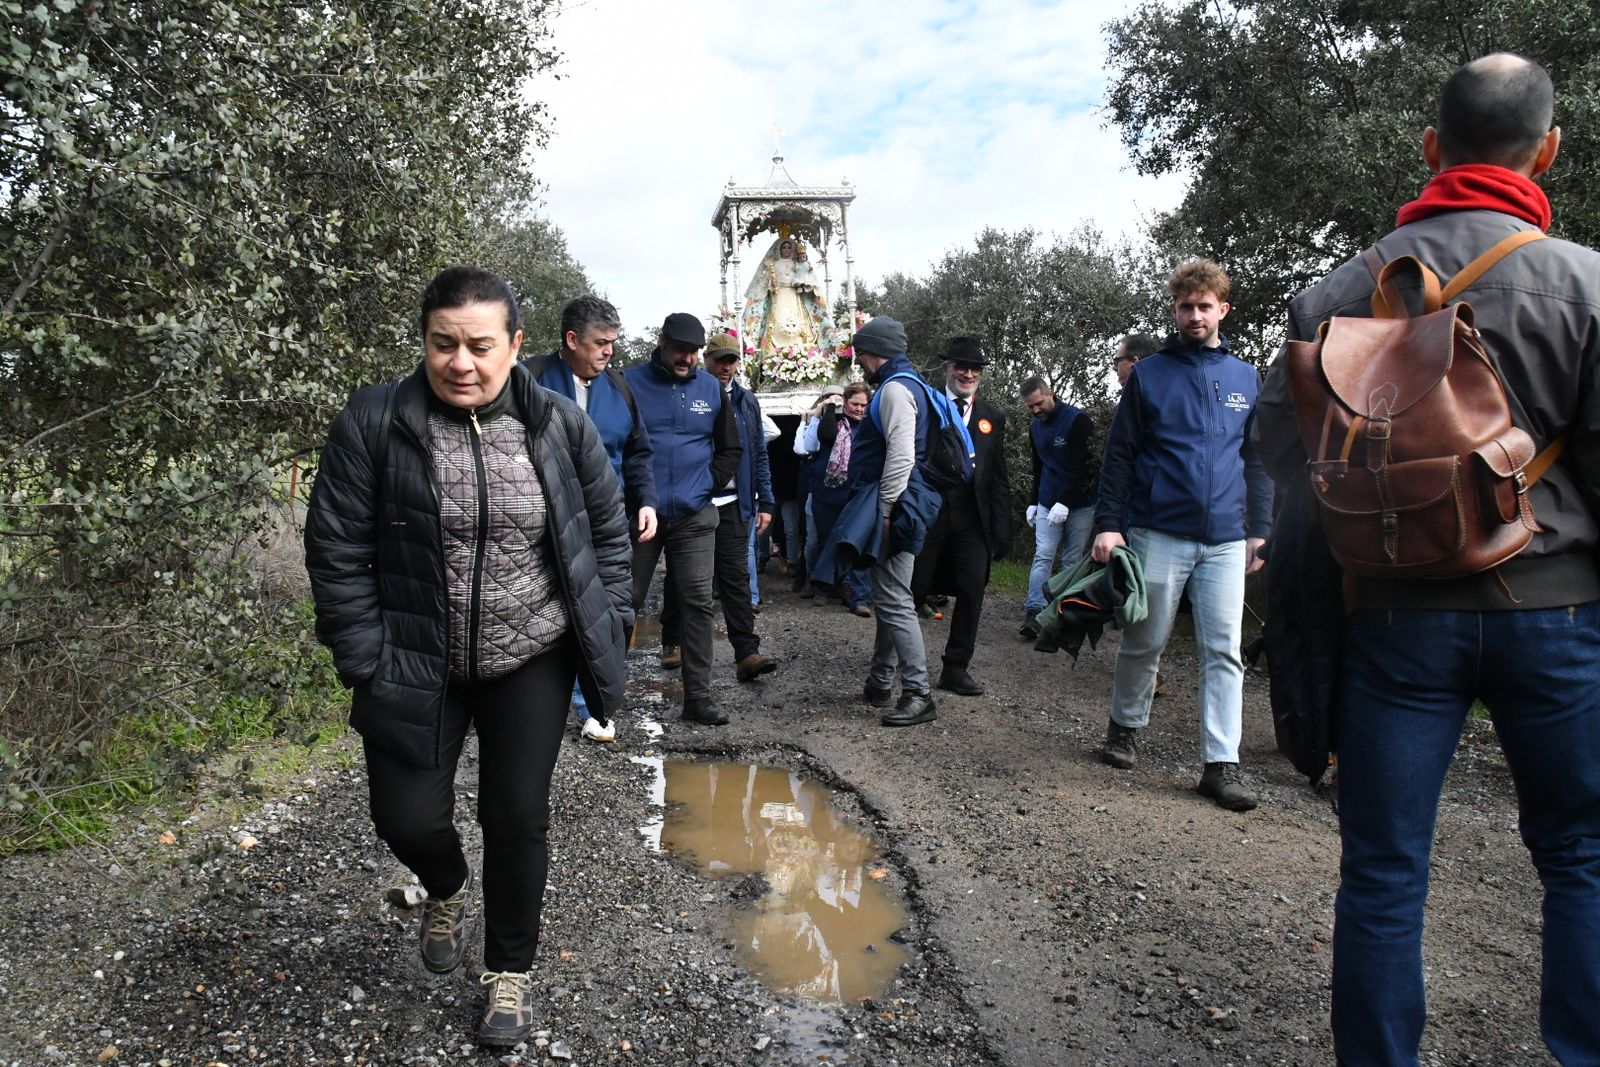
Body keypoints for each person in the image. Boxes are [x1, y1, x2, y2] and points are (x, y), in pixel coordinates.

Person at [1253, 53, 1600, 1064]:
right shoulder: (1585, 282)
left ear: (1428, 149)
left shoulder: (1332, 292)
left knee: (1383, 867)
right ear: (1547, 149)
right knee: (1579, 856)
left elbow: (1283, 461)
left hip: (1393, 617)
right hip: (1559, 616)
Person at [303, 267, 632, 1047]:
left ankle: (509, 973)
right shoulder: (375, 419)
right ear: (423, 341)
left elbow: (608, 530)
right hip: (414, 656)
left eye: (480, 346)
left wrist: (610, 619)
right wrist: (364, 657)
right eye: (443, 344)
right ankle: (446, 884)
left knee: (516, 815)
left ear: (515, 345)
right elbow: (337, 547)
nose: (461, 362)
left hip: (532, 653)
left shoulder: (556, 423)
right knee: (405, 814)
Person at [1092, 259, 1271, 811]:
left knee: (1224, 650)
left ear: (1223, 309)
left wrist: (1259, 531)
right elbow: (1119, 456)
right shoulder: (1150, 375)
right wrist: (1108, 524)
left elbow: (1257, 459)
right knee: (1146, 639)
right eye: (1185, 306)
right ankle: (1124, 728)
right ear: (1175, 310)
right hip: (1157, 531)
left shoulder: (1246, 377)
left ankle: (1221, 765)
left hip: (1224, 537)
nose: (1195, 315)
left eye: (1204, 306)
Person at [523, 294, 657, 743]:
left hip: (605, 520)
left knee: (600, 609)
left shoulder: (619, 389)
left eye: (613, 343)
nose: (609, 352)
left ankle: (592, 704)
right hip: (542, 520)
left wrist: (646, 501)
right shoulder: (529, 379)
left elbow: (638, 452)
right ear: (571, 339)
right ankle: (530, 698)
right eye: (601, 342)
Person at [624, 312, 743, 725]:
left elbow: (730, 447)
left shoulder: (711, 388)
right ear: (662, 342)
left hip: (694, 514)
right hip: (640, 513)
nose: (686, 358)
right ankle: (602, 699)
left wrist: (705, 484)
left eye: (693, 352)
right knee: (624, 603)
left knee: (697, 605)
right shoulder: (629, 382)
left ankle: (699, 699)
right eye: (679, 349)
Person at [824, 316, 941, 727]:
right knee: (895, 595)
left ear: (873, 352)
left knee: (892, 598)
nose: (858, 361)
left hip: (895, 503)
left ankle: (918, 692)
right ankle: (880, 680)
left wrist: (886, 511)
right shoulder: (913, 384)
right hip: (908, 501)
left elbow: (902, 456)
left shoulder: (893, 389)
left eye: (860, 352)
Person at [659, 332, 777, 682]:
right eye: (720, 360)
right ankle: (672, 640)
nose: (727, 367)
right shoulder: (688, 394)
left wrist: (765, 498)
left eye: (732, 360)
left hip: (734, 502)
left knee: (735, 578)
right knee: (685, 576)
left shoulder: (746, 401)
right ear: (705, 359)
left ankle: (747, 652)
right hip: (693, 501)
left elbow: (758, 452)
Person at [911, 337, 1012, 695]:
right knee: (913, 589)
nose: (967, 373)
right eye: (961, 367)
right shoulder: (927, 405)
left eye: (975, 369)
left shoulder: (991, 417)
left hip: (972, 520)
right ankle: (896, 661)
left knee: (972, 592)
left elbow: (997, 476)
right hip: (930, 515)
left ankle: (955, 667)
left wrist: (1002, 530)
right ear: (947, 369)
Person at [1019, 375, 1097, 639]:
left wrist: (1067, 501)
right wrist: (1033, 502)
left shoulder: (1077, 421)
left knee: (1072, 560)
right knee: (1043, 554)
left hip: (1080, 504)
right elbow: (1038, 466)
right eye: (1030, 407)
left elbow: (1086, 467)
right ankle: (1034, 611)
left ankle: (1063, 614)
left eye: (1039, 403)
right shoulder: (1035, 426)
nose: (1036, 410)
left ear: (1050, 393)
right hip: (1047, 499)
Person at [796, 383, 874, 614]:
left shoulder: (870, 427)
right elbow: (816, 441)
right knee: (824, 540)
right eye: (855, 404)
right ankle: (824, 587)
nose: (859, 409)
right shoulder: (833, 422)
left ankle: (855, 593)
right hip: (827, 491)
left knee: (855, 542)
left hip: (856, 493)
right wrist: (827, 410)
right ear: (845, 402)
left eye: (863, 405)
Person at [740, 236, 828, 358]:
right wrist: (772, 284)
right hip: (779, 296)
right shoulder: (774, 264)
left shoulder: (797, 264)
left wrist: (802, 277)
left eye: (789, 247)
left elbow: (806, 277)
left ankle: (798, 350)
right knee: (777, 319)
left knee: (798, 320)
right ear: (779, 250)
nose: (786, 250)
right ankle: (773, 353)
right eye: (784, 247)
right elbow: (767, 282)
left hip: (794, 295)